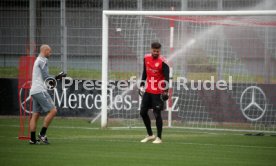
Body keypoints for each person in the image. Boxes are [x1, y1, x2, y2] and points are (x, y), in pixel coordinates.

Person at [139, 42, 170, 144]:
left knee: (157, 114)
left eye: (158, 51)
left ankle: (159, 138)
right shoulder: (146, 58)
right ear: (151, 49)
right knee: (143, 112)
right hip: (148, 90)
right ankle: (150, 134)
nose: (156, 53)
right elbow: (145, 72)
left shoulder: (163, 62)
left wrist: (166, 91)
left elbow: (166, 77)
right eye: (154, 51)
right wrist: (142, 85)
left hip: (158, 92)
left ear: (160, 51)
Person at [29, 44, 57, 144]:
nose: (50, 53)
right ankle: (42, 134)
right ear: (45, 50)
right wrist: (57, 77)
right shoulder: (43, 60)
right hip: (40, 90)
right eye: (49, 51)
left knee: (35, 115)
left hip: (34, 90)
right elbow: (46, 78)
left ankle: (32, 139)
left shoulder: (37, 60)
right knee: (53, 110)